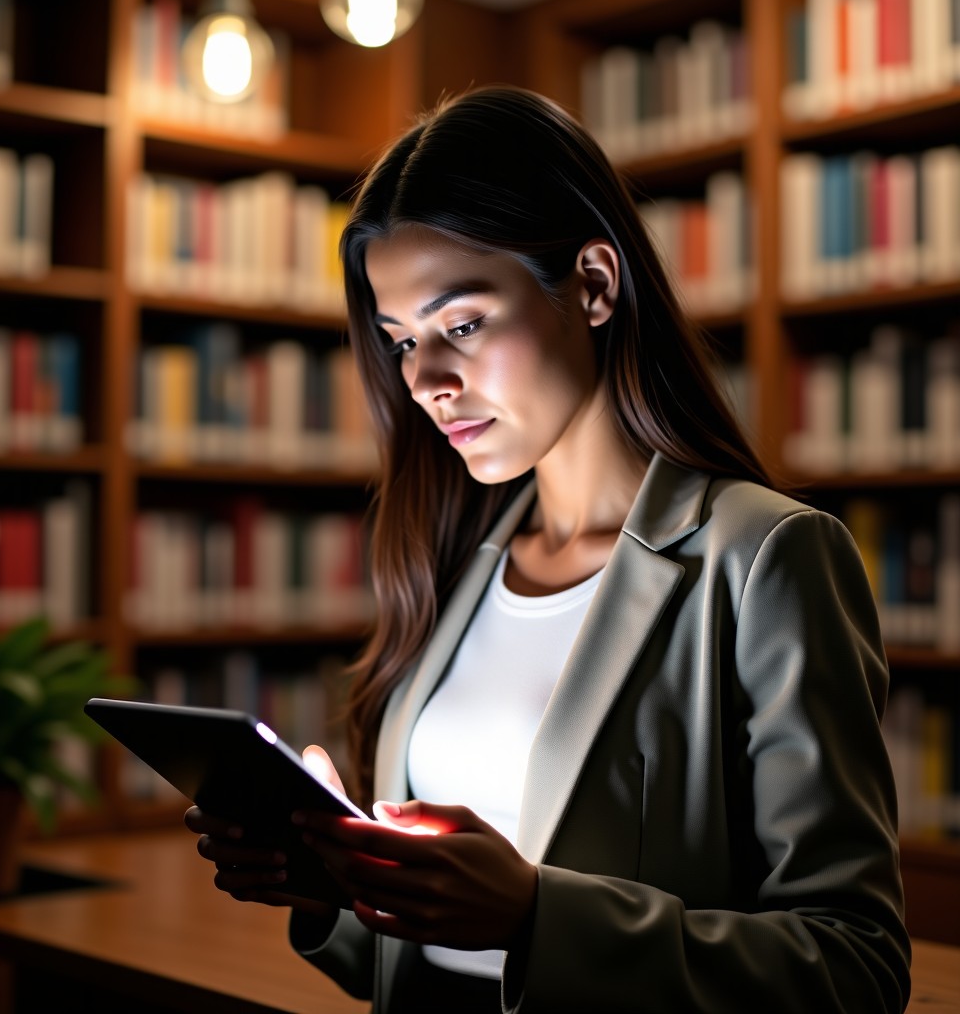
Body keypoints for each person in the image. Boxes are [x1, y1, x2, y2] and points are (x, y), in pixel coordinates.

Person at [185, 85, 911, 1013]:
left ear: (596, 284)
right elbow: (420, 960)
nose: (428, 382)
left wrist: (536, 916)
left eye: (464, 324)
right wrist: (337, 882)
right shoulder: (457, 559)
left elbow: (856, 966)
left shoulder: (765, 559)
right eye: (401, 341)